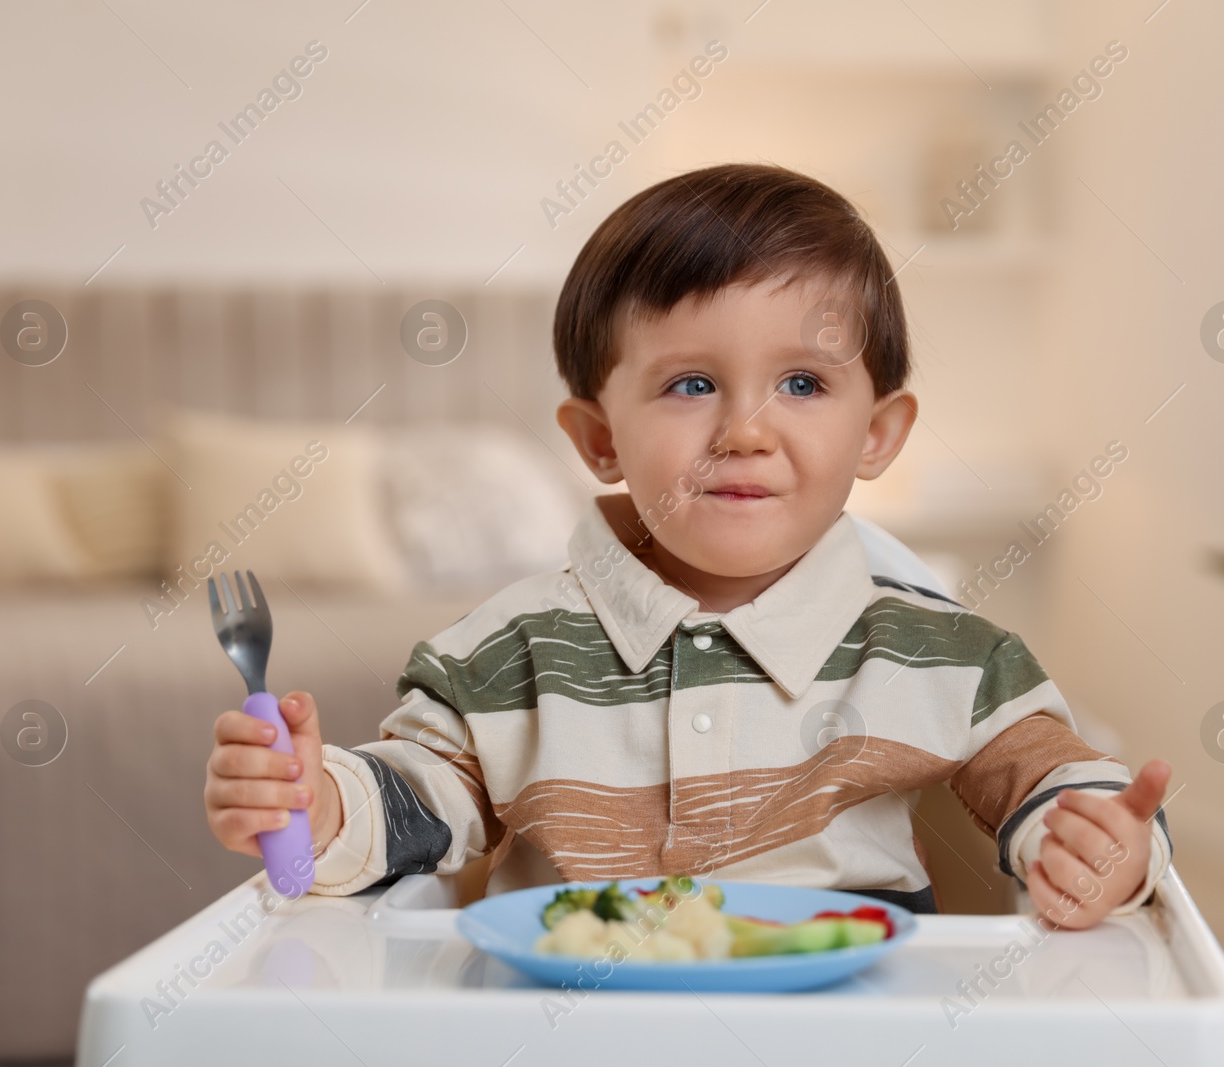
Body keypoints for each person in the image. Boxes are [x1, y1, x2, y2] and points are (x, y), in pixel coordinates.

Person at [203, 163, 1173, 928]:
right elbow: (418, 796)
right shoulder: (511, 650)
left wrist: (1096, 842)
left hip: (853, 1026)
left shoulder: (929, 644)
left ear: (877, 431)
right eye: (690, 384)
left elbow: (1053, 772)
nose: (745, 429)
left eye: (801, 383)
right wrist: (315, 801)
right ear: (598, 438)